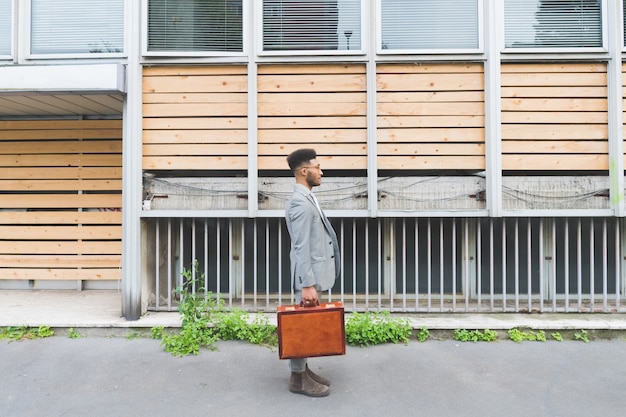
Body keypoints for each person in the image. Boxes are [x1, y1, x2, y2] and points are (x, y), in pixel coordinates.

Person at [284, 148, 341, 397]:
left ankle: (303, 371)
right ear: (304, 171)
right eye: (318, 167)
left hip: (312, 273)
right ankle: (298, 379)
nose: (321, 171)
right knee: (301, 325)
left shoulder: (307, 197)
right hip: (307, 275)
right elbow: (301, 246)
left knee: (305, 323)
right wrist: (307, 284)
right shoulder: (299, 202)